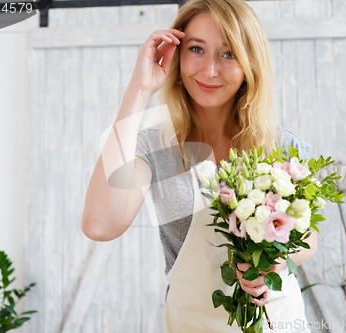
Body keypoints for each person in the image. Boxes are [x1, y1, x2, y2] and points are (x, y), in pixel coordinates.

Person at [82, 0, 318, 331]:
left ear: (251, 63)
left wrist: (274, 264)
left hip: (278, 321)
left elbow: (309, 239)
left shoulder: (279, 145)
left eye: (228, 53)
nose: (209, 70)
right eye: (196, 49)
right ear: (178, 54)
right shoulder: (155, 148)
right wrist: (138, 90)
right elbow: (99, 225)